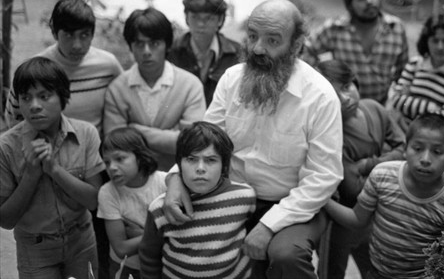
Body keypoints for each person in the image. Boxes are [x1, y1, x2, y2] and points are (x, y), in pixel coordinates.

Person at [163, 0, 344, 279]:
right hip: (229, 196)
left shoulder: (319, 97)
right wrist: (175, 179)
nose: (258, 48)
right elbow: (202, 140)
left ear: (295, 46)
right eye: (252, 36)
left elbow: (323, 177)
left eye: (273, 40)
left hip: (293, 204)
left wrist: (269, 225)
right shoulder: (232, 79)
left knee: (286, 256)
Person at [324, 113, 444, 279]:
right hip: (376, 273)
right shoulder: (382, 176)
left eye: (437, 152)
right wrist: (323, 200)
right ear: (406, 149)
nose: (425, 159)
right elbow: (357, 219)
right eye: (417, 149)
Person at [0, 57, 104, 279]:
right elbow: (5, 220)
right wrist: (31, 175)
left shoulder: (85, 134)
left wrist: (55, 170)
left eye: (44, 96)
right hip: (35, 249)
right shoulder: (6, 147)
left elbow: (95, 201)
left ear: (62, 97)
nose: (34, 105)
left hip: (82, 241)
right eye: (26, 98)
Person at [316, 59, 406, 279]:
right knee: (332, 271)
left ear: (355, 82)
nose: (345, 99)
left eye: (347, 87)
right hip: (339, 219)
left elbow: (404, 149)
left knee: (374, 267)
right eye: (334, 95)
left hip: (373, 215)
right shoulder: (330, 133)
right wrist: (391, 164)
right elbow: (352, 188)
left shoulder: (374, 108)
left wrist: (366, 164)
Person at [139, 121, 256, 279]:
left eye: (210, 160)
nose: (200, 168)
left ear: (224, 166)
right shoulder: (160, 209)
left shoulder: (244, 197)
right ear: (179, 163)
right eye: (191, 159)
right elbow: (149, 259)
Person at [104, 7, 206, 171]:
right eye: (139, 44)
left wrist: (134, 130)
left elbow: (193, 143)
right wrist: (171, 136)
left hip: (179, 178)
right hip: (133, 182)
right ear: (130, 46)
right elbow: (115, 145)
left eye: (154, 43)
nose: (146, 51)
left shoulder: (190, 85)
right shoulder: (117, 89)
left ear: (167, 45)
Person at [4, 0, 123, 137]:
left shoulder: (108, 66)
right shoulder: (33, 70)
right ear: (54, 33)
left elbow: (123, 106)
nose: (77, 45)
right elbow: (14, 118)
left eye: (84, 35)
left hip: (96, 153)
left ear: (92, 34)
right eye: (68, 35)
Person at [309, 0, 408, 105]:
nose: (369, 1)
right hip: (345, 107)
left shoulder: (396, 27)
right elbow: (307, 51)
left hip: (381, 107)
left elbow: (404, 72)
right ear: (350, 4)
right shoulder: (335, 28)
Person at [97, 127, 167, 279]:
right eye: (107, 162)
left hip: (162, 264)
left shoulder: (164, 182)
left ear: (140, 156)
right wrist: (162, 233)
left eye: (120, 159)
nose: (112, 167)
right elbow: (121, 248)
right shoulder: (107, 192)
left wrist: (143, 234)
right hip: (127, 267)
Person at [391, 13, 444, 132]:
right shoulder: (414, 64)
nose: (440, 47)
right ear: (426, 41)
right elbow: (396, 100)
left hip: (434, 142)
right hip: (400, 135)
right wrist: (432, 108)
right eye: (435, 40)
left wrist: (408, 102)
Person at [167, 0, 241, 106]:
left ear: (220, 20)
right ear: (186, 18)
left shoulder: (237, 53)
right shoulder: (172, 51)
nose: (200, 24)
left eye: (208, 18)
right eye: (195, 17)